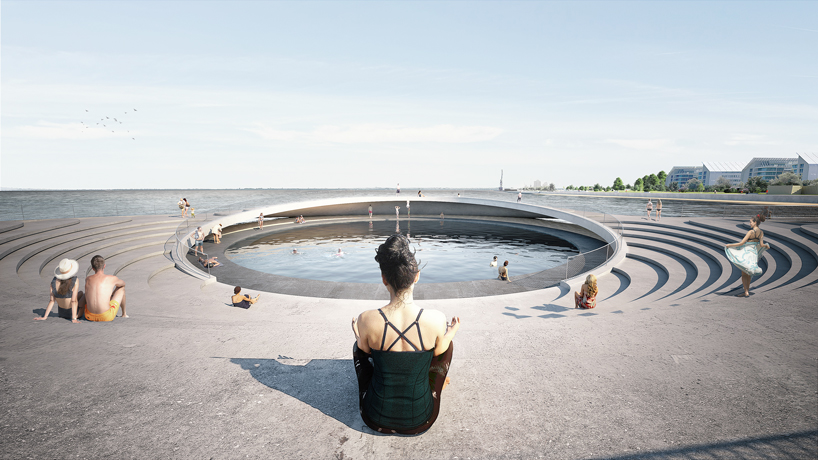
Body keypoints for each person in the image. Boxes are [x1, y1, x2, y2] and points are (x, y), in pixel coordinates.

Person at [351, 234, 461, 434]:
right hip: (421, 417)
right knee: (446, 344)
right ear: (416, 276)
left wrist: (358, 335)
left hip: (374, 416)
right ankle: (435, 384)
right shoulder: (435, 318)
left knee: (358, 346)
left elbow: (364, 352)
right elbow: (440, 351)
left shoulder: (366, 318)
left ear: (384, 279)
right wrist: (451, 332)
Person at [725, 214, 770, 297]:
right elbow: (761, 244)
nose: (750, 224)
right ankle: (747, 291)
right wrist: (766, 246)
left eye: (750, 222)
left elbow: (741, 243)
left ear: (755, 222)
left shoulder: (750, 232)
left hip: (747, 252)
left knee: (744, 273)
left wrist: (729, 245)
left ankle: (746, 291)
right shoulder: (761, 233)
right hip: (753, 253)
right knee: (749, 273)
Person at [35, 259, 85, 323]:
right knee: (82, 296)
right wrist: (74, 318)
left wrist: (44, 317)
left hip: (61, 314)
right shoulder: (75, 280)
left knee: (80, 293)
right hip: (73, 314)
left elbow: (52, 301)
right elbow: (73, 301)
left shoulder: (53, 282)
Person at [84, 255, 128, 322]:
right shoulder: (112, 278)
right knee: (121, 288)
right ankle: (124, 314)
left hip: (89, 315)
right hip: (106, 316)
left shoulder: (88, 279)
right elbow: (123, 283)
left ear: (93, 268)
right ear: (104, 266)